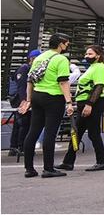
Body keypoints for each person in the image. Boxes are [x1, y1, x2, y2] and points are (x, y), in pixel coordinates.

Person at [21, 34, 74, 178]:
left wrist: (28, 99)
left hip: (37, 95)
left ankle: (29, 169)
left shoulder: (39, 57)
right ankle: (48, 168)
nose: (67, 46)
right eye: (67, 44)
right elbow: (63, 82)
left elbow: (30, 81)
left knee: (33, 131)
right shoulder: (61, 59)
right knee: (50, 132)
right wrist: (69, 102)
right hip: (53, 98)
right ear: (61, 44)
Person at [58, 44, 104, 171]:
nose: (87, 56)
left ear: (98, 55)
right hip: (84, 104)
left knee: (93, 133)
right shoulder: (92, 67)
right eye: (86, 54)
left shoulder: (99, 68)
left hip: (92, 104)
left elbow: (99, 87)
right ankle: (68, 161)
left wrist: (89, 104)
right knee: (77, 132)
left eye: (90, 54)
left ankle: (102, 161)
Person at [8, 50, 38, 157]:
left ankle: (14, 147)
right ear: (32, 59)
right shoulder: (24, 68)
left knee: (20, 123)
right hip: (20, 100)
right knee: (23, 123)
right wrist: (24, 101)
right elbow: (21, 87)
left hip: (23, 100)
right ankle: (20, 147)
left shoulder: (31, 69)